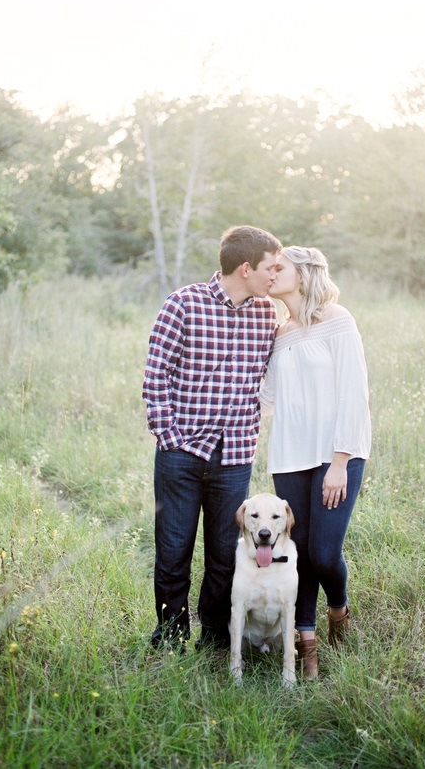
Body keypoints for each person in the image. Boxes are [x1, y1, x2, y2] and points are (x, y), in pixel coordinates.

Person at [142, 225, 282, 651]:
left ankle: (216, 640)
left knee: (225, 555)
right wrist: (169, 438)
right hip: (181, 454)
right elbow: (155, 374)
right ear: (245, 269)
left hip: (235, 456)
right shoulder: (183, 304)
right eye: (269, 268)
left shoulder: (266, 315)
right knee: (173, 551)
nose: (274, 276)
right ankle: (170, 636)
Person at [260, 246, 371, 679]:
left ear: (303, 274)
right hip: (289, 457)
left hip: (335, 455)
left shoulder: (338, 320)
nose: (271, 274)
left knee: (324, 554)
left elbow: (353, 392)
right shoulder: (279, 331)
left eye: (279, 267)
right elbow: (265, 400)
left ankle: (338, 612)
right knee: (296, 551)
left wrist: (340, 461)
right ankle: (306, 645)